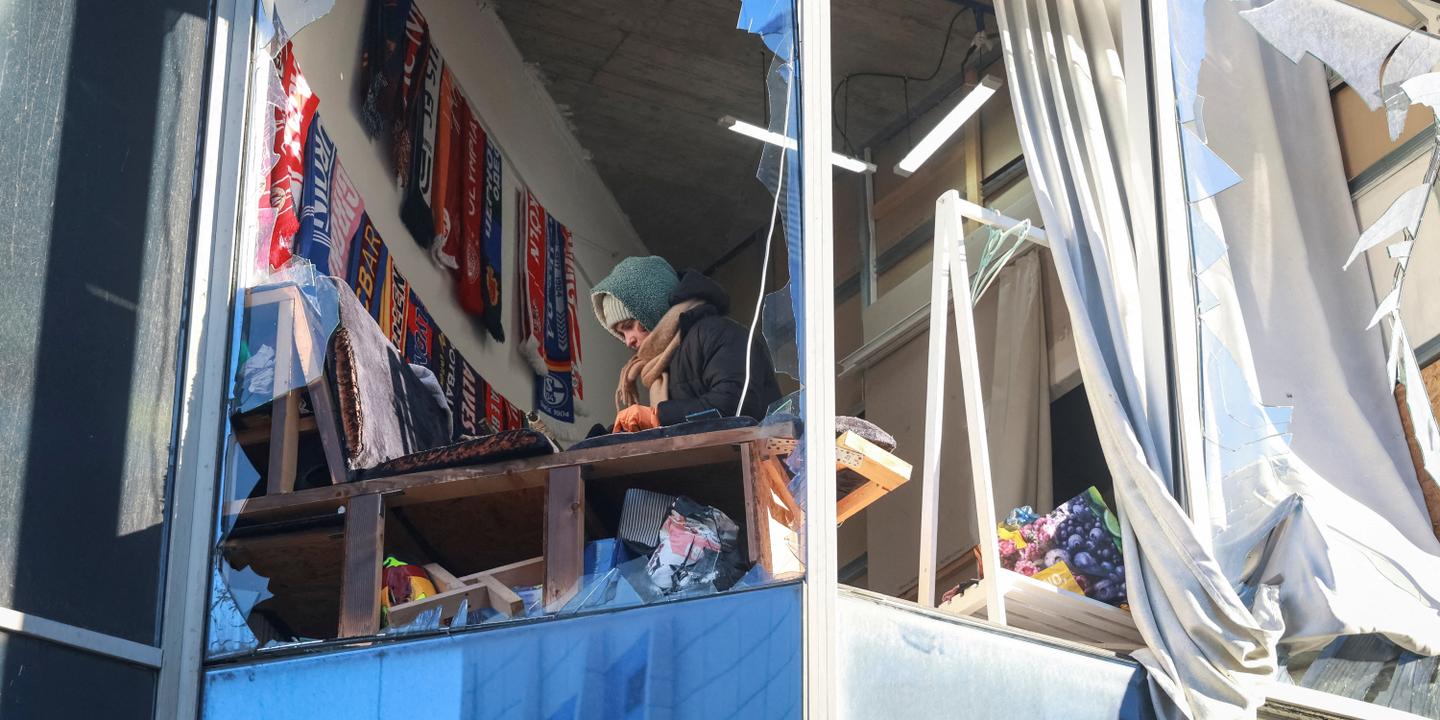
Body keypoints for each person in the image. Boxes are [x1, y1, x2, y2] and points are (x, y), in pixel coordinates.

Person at [590, 255, 782, 433]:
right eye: (621, 333)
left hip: (755, 457)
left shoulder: (716, 333)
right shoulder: (663, 363)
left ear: (652, 308)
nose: (628, 340)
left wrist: (658, 416)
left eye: (628, 326)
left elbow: (738, 405)